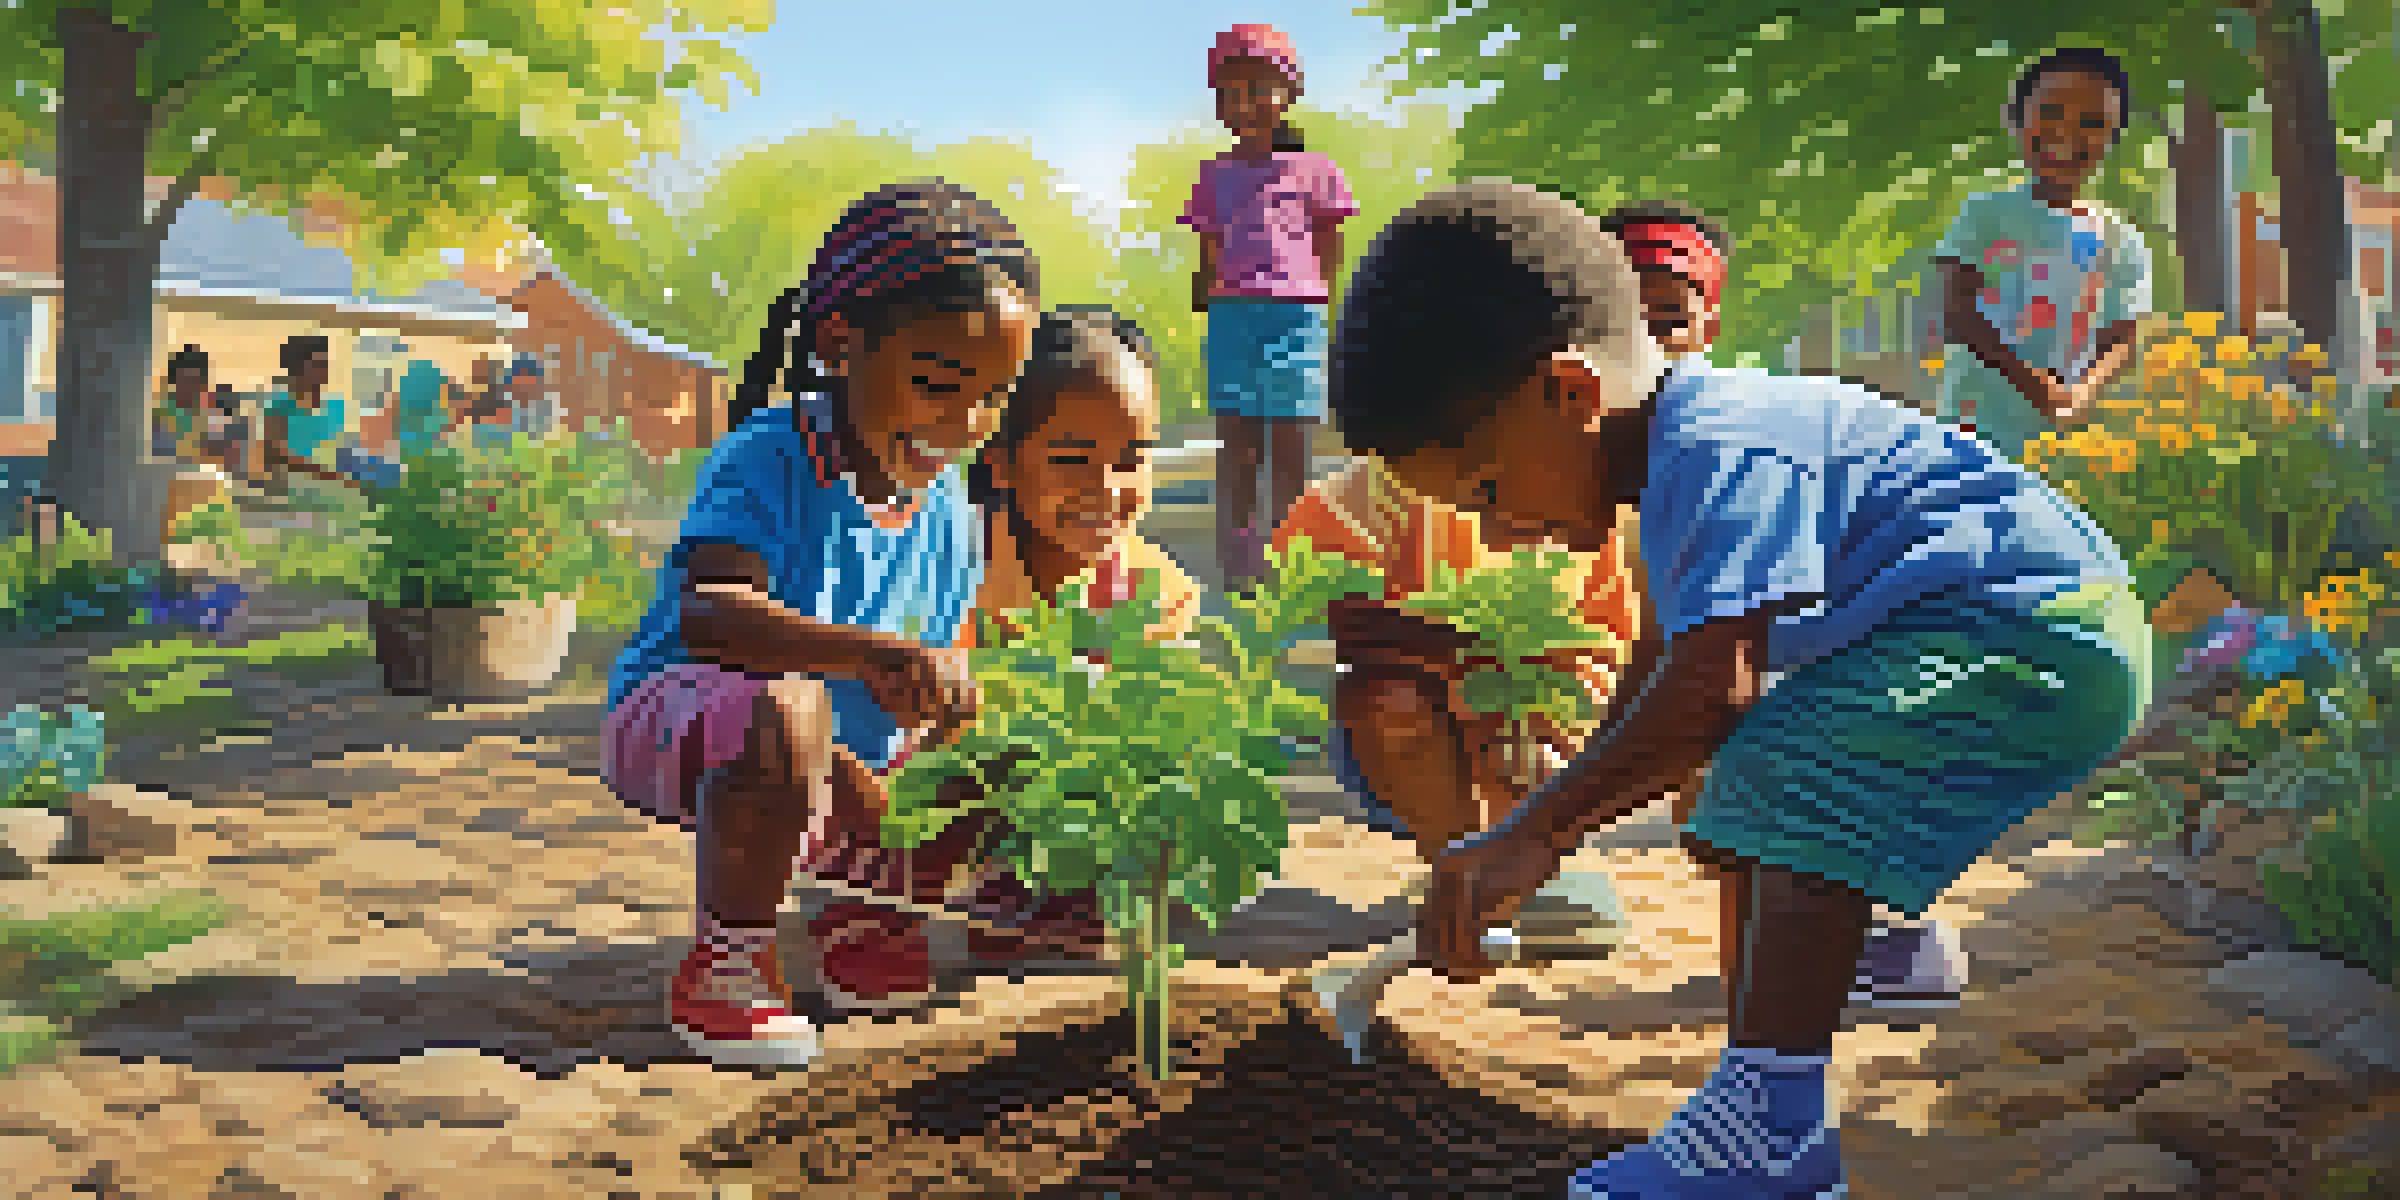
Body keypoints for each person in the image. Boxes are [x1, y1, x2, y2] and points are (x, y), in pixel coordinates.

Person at [1333, 180, 2150, 1198]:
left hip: (2039, 629)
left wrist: (1535, 835)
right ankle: (1773, 1077)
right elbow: (1658, 678)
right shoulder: (1674, 466)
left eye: (1489, 492)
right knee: (1735, 807)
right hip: (2006, 634)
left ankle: (1775, 1115)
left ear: (1573, 395)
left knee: (1774, 760)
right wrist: (1543, 819)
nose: (1499, 535)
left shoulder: (1720, 442)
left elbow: (1712, 692)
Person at [605, 179, 1119, 1066]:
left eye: (992, 398)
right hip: (696, 725)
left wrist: (949, 721)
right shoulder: (771, 455)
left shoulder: (952, 503)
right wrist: (867, 669)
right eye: (936, 385)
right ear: (842, 344)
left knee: (1020, 717)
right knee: (790, 714)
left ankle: (871, 915)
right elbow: (711, 616)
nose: (963, 423)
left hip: (844, 761)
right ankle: (727, 967)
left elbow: (932, 654)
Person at [1601, 201, 1973, 1010]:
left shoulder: (1715, 435)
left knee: (1735, 788)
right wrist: (1593, 771)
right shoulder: (1651, 450)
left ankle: (1869, 951)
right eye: (1625, 320)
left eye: (1669, 318)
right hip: (1862, 649)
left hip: (1923, 641)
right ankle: (1838, 954)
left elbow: (1719, 667)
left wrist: (1562, 810)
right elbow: (1665, 633)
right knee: (1711, 802)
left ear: (1708, 325)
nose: (1650, 340)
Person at [1181, 23, 1357, 593]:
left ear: (1290, 91)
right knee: (1237, 445)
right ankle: (1237, 564)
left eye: (1260, 88)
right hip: (1234, 316)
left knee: (1289, 452)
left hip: (1295, 317)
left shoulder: (1315, 169)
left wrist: (1320, 298)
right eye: (1230, 93)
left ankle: (1292, 562)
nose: (1246, 103)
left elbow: (1329, 240)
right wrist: (1205, 289)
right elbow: (1207, 241)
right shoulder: (1215, 172)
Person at [1935, 46, 2153, 464]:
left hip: (2067, 450)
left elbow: (2123, 339)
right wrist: (2044, 391)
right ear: (2015, 118)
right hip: (1974, 436)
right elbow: (1957, 313)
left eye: (2092, 123)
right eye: (2050, 112)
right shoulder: (1984, 213)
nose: (2067, 133)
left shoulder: (2121, 238)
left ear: (2113, 138)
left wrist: (2082, 396)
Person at [967, 305, 1202, 647]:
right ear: (1000, 464)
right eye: (1073, 459)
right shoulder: (940, 582)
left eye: (1130, 460)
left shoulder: (1162, 594)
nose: (1107, 489)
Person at [261, 335, 363, 494]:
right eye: (317, 364)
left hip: (333, 484)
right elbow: (276, 455)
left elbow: (345, 447)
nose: (324, 370)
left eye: (325, 363)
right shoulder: (278, 405)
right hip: (292, 488)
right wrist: (325, 473)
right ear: (298, 368)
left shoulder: (335, 405)